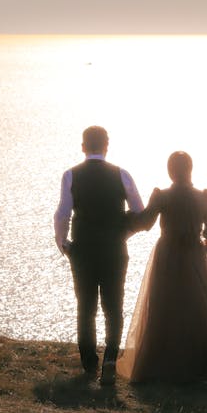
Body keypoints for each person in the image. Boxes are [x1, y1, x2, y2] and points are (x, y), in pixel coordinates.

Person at [118, 151, 207, 383]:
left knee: (164, 304)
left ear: (170, 171)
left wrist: (123, 219)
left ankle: (160, 362)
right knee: (198, 306)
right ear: (190, 170)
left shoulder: (161, 196)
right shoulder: (204, 197)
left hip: (167, 255)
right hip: (194, 255)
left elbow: (145, 223)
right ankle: (201, 363)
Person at [55, 126, 144, 385]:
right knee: (114, 306)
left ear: (83, 146)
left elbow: (63, 213)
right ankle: (110, 359)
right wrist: (123, 233)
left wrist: (64, 244)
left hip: (83, 249)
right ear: (107, 145)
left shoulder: (71, 175)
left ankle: (89, 364)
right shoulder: (122, 175)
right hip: (114, 249)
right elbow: (138, 211)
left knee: (86, 307)